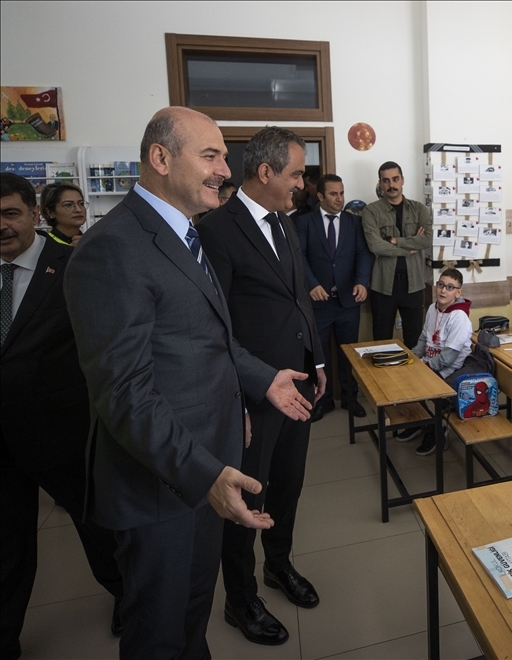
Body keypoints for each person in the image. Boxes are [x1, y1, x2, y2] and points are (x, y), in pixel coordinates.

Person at [65, 107, 313, 659]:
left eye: (224, 156)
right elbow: (124, 393)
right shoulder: (113, 247)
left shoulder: (186, 234)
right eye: (211, 156)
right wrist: (205, 474)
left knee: (192, 617)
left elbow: (208, 339)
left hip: (206, 471)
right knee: (159, 632)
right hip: (161, 486)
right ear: (160, 158)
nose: (225, 170)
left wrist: (263, 379)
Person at [198, 126, 327, 646]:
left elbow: (298, 299)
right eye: (296, 173)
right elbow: (215, 327)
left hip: (298, 383)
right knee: (246, 499)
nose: (302, 183)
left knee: (288, 484)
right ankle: (241, 597)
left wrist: (317, 360)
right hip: (254, 394)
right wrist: (238, 401)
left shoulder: (284, 221)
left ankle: (278, 564)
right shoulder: (217, 230)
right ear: (267, 171)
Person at [1, 173, 123, 659]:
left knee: (98, 528)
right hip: (2, 439)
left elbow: (104, 344)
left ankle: (127, 594)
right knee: (7, 545)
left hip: (62, 433)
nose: (1, 226)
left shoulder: (72, 265)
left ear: (35, 214)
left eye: (10, 214)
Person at [295, 173, 372, 422]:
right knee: (320, 356)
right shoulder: (304, 222)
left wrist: (362, 281)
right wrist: (312, 284)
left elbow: (363, 254)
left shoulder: (354, 222)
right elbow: (299, 257)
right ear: (320, 196)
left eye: (341, 193)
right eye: (333, 194)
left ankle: (350, 398)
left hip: (348, 301)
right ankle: (323, 400)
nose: (339, 198)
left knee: (349, 353)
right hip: (319, 302)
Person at [361, 161, 432, 348]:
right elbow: (376, 246)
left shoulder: (419, 209)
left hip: (414, 284)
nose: (391, 185)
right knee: (382, 340)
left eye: (395, 179)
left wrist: (395, 241)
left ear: (402, 180)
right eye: (386, 181)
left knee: (415, 341)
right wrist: (410, 248)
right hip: (383, 285)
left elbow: (427, 240)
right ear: (380, 183)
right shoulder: (371, 211)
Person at [406, 268, 472, 455]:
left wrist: (423, 367)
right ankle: (419, 422)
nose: (443, 290)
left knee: (416, 383)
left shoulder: (459, 316)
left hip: (450, 370)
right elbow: (423, 340)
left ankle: (435, 431)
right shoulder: (432, 309)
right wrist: (411, 357)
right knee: (402, 375)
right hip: (430, 363)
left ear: (458, 292)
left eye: (450, 287)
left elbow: (447, 358)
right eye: (441, 285)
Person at [39, 181, 87, 246]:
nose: (78, 209)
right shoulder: (44, 245)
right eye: (68, 205)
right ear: (50, 212)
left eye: (81, 204)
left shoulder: (91, 242)